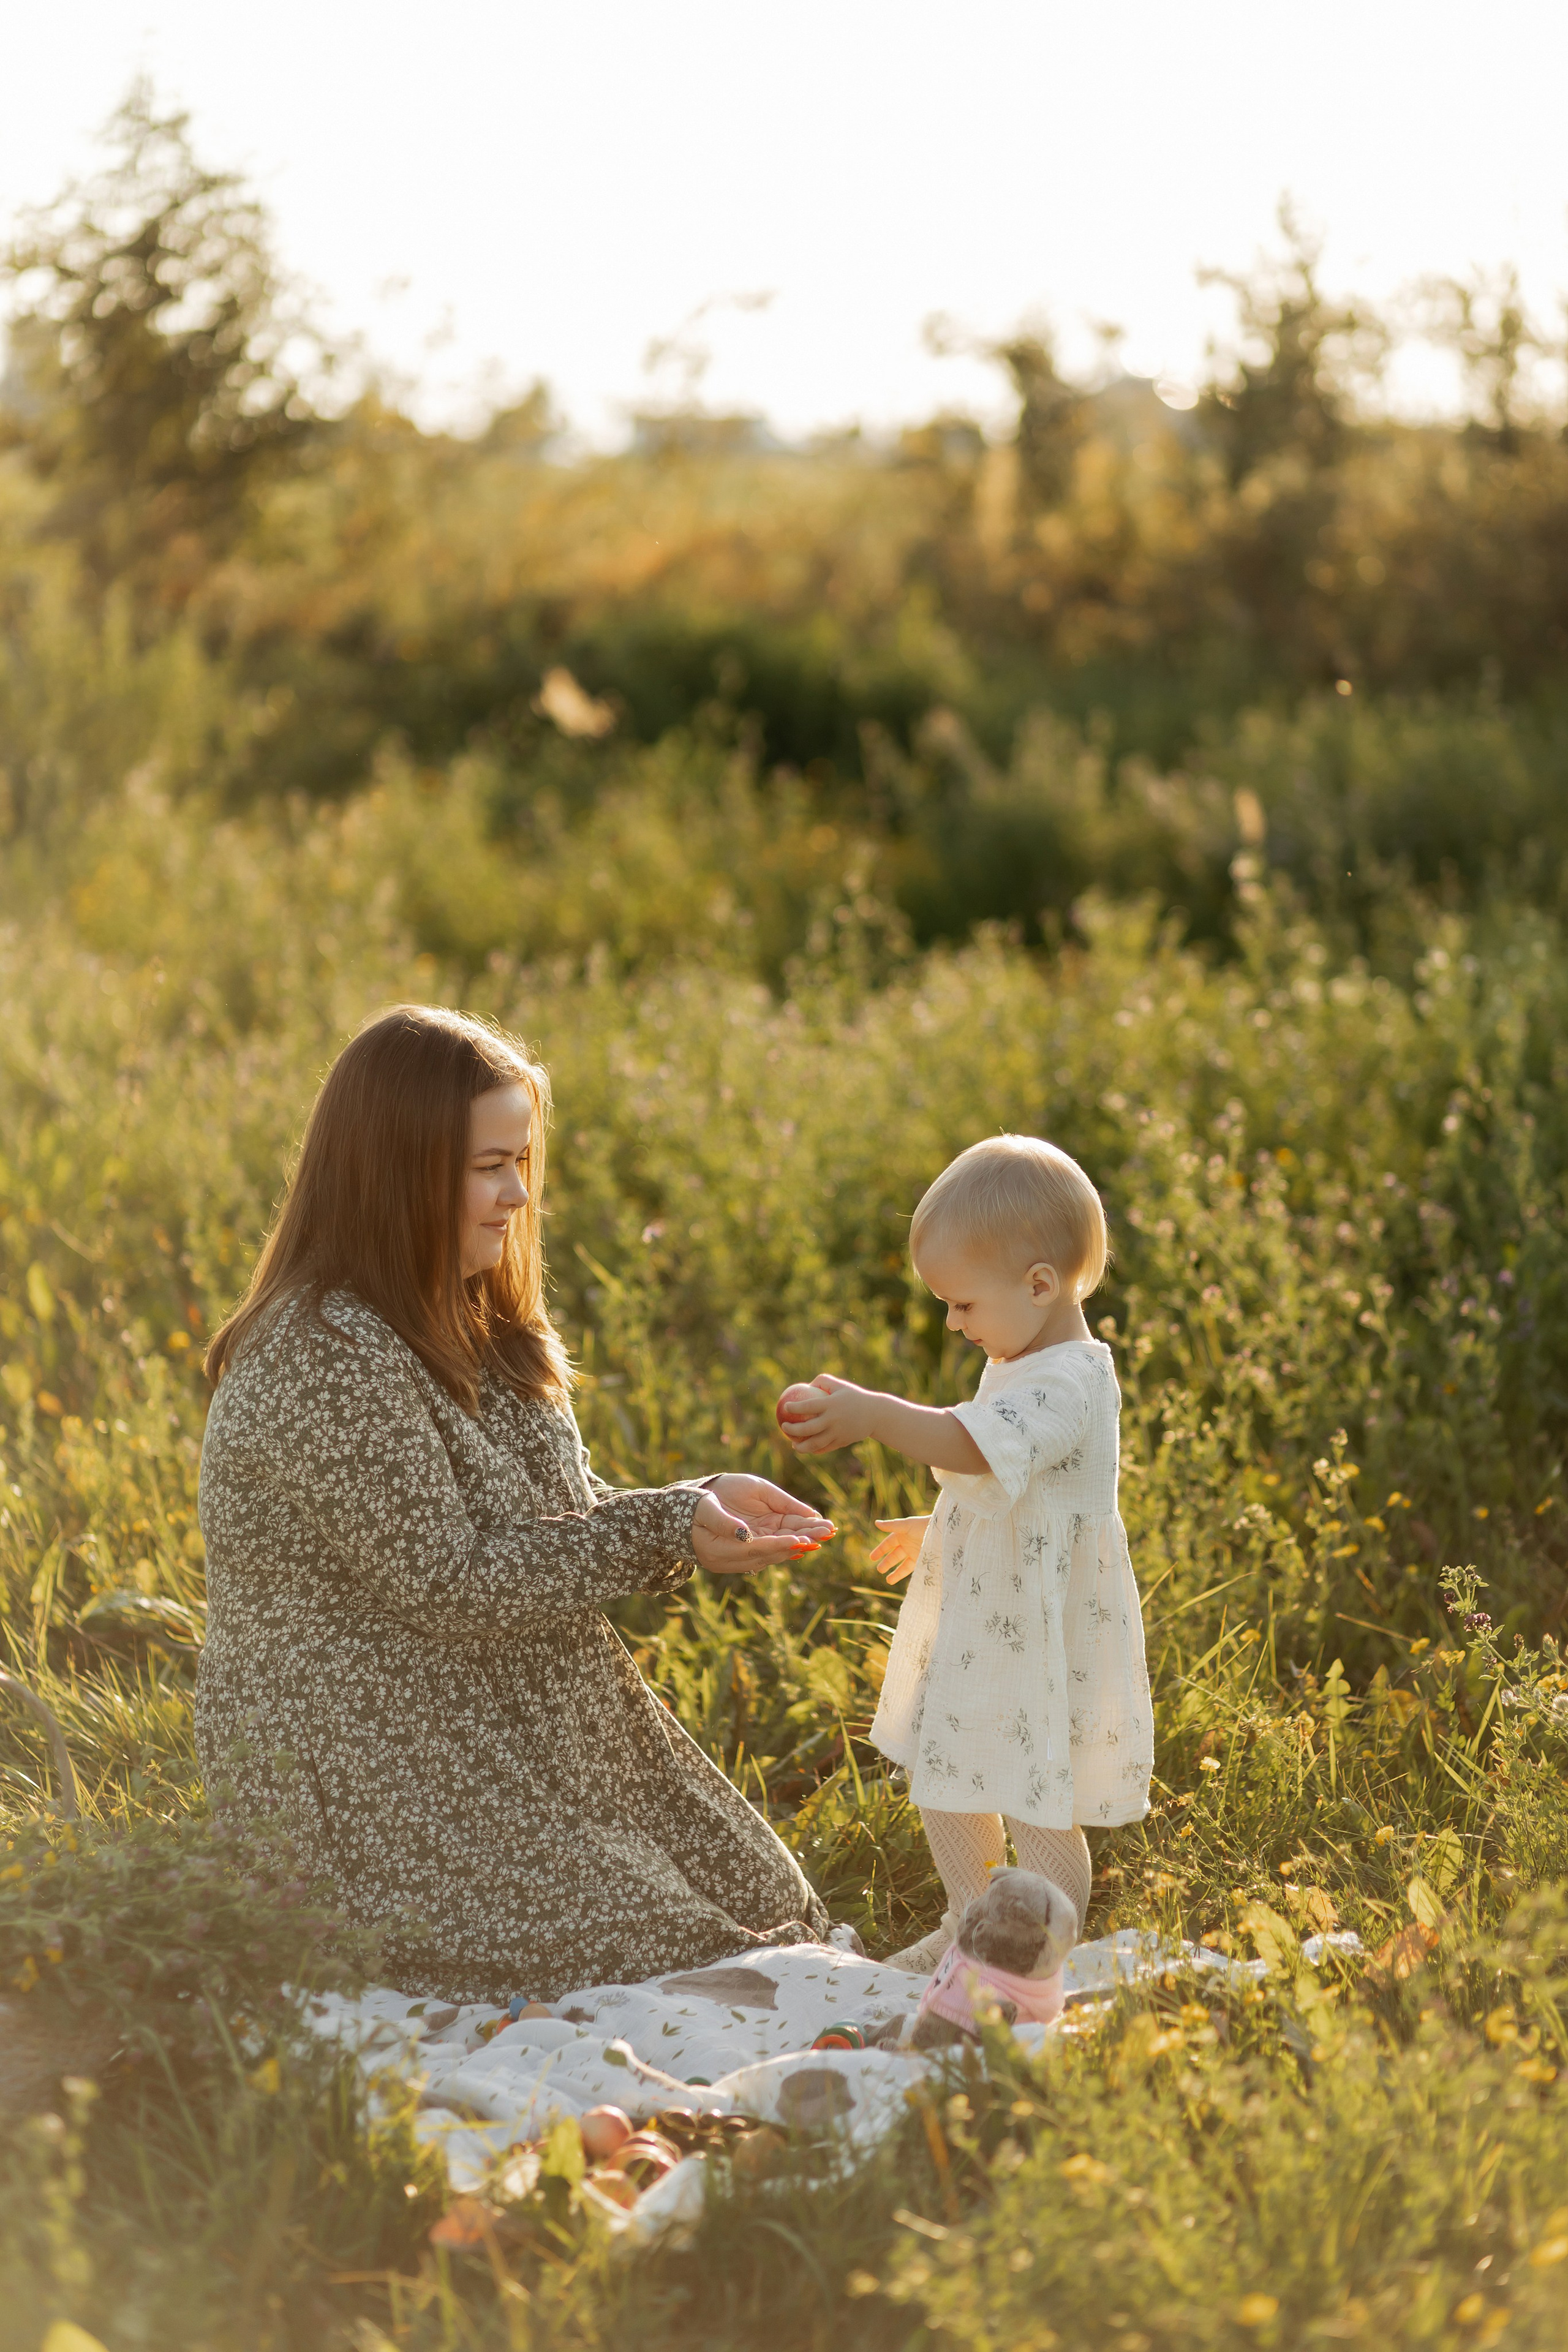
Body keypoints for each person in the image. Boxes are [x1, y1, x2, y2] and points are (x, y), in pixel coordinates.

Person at [197, 1005, 835, 2005]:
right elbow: (448, 1580)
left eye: (523, 1159)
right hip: (371, 1757)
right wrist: (662, 1525)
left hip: (504, 1715)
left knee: (761, 1905)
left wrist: (701, 1506)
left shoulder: (474, 1308)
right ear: (399, 1171)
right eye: (490, 1166)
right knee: (671, 1952)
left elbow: (556, 1525)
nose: (519, 1194)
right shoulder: (318, 1351)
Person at [777, 1134, 1153, 1971]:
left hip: (1043, 1635)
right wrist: (940, 1524)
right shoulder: (1019, 1356)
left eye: (962, 1305)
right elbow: (1006, 1482)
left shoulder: (1071, 1378)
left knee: (1035, 1797)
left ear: (1040, 1285)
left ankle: (1043, 1947)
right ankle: (970, 1919)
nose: (952, 1322)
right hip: (993, 1619)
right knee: (949, 1773)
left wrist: (874, 1414)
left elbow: (974, 1444)